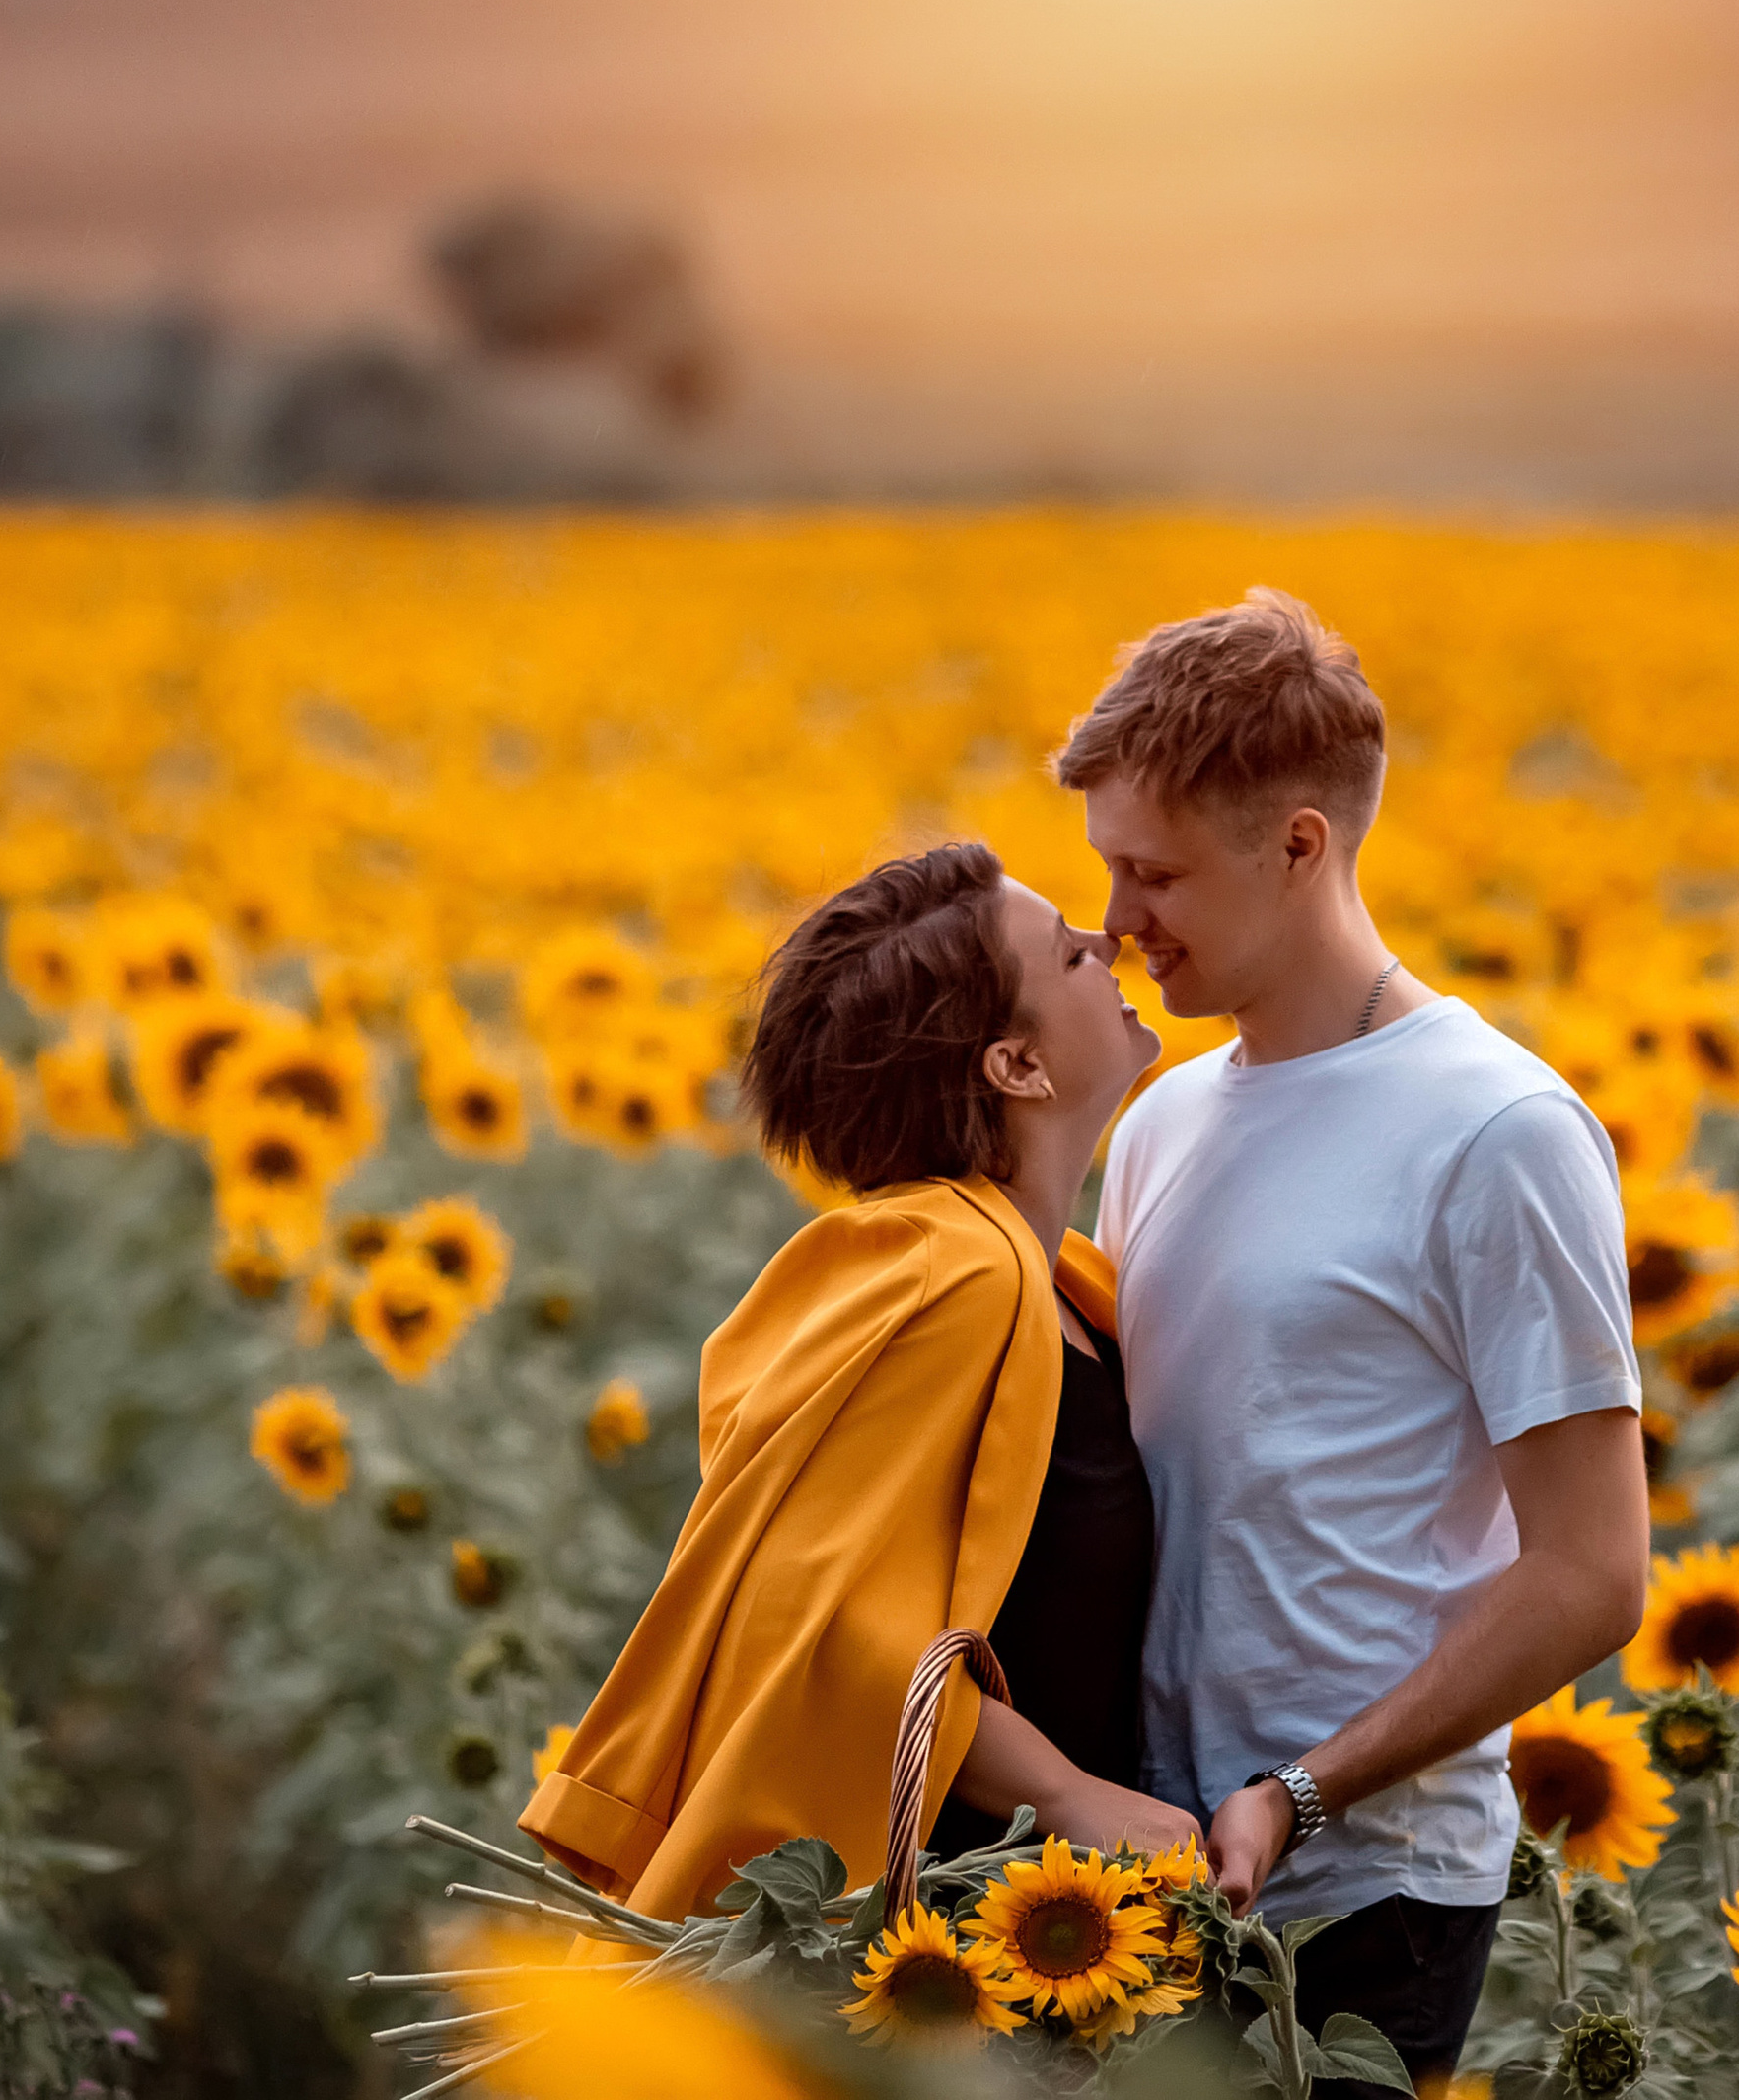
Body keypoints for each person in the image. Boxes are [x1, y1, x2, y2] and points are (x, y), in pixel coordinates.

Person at [1073, 590, 1650, 2084]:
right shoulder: (1161, 1120)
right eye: (1107, 873)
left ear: (1298, 846)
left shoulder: (1497, 1131)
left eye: (1156, 875)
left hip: (1368, 1884)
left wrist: (1301, 1793)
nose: (1117, 925)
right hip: (1161, 1870)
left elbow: (1591, 1576)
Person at [519, 840, 1198, 1915]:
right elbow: (829, 1624)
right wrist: (1065, 1793)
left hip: (1039, 1909)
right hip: (933, 1919)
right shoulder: (952, 1271)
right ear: (1015, 1066)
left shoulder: (1058, 1280)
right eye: (1067, 954)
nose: (1104, 938)